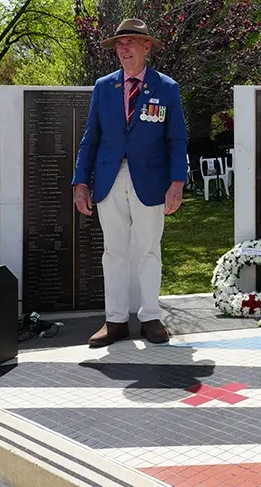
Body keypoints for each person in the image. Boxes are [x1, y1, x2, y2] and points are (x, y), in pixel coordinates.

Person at [72, 18, 188, 347]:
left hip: (151, 180)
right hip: (109, 179)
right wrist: (81, 181)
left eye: (131, 43)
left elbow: (177, 139)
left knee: (149, 250)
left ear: (146, 47)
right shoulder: (103, 87)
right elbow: (90, 138)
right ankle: (116, 320)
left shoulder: (167, 88)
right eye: (119, 44)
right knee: (114, 251)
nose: (123, 49)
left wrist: (177, 181)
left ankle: (150, 316)